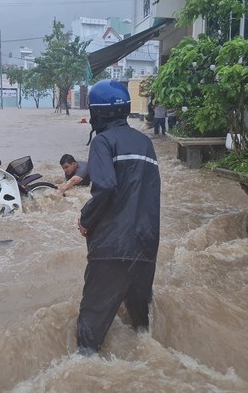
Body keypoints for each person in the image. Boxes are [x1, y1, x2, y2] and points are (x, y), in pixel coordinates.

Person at [76, 80, 161, 355]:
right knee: (141, 330)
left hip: (113, 246)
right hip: (146, 246)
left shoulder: (102, 141)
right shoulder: (145, 142)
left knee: (89, 339)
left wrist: (85, 219)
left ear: (98, 113)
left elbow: (106, 187)